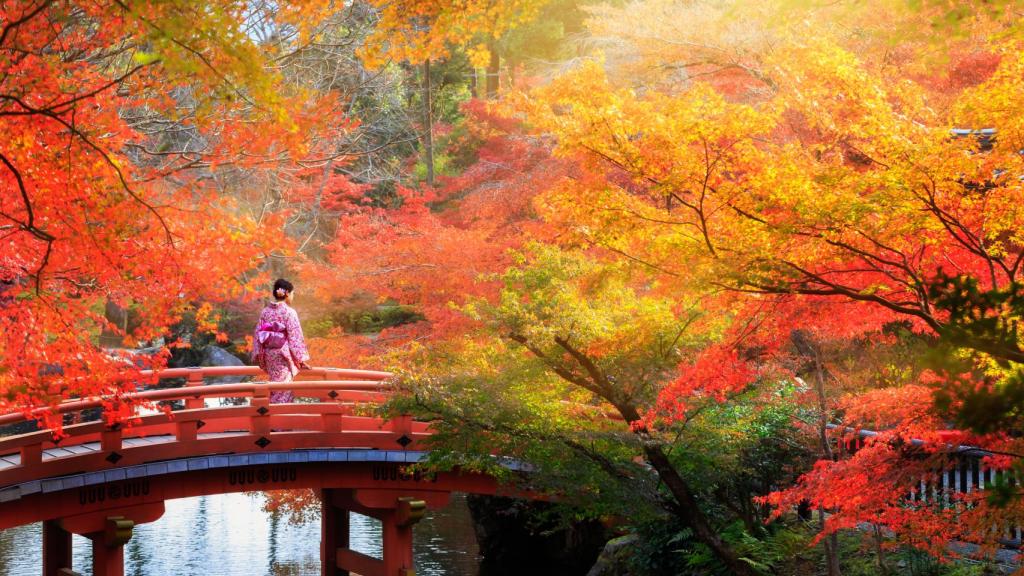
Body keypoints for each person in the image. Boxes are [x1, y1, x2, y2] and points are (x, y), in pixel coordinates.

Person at [252, 278, 311, 403]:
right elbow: (295, 337)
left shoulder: (265, 312)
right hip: (283, 355)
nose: (293, 296)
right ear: (287, 293)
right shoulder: (289, 312)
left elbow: (258, 334)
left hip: (269, 354)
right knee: (283, 388)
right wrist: (301, 359)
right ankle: (279, 417)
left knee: (275, 386)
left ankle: (275, 415)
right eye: (293, 293)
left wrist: (258, 355)